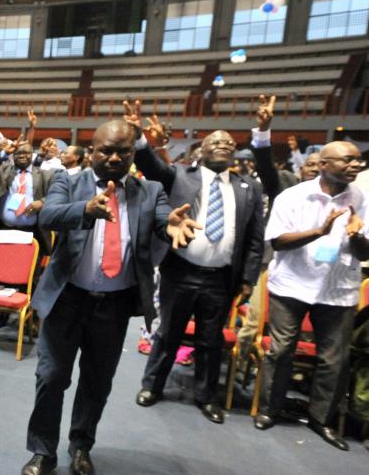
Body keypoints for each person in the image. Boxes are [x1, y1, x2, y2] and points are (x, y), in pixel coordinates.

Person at [21, 120, 199, 475]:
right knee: (51, 377)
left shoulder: (149, 191)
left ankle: (81, 446)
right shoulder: (68, 181)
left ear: (133, 154)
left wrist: (171, 226)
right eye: (107, 150)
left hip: (114, 305)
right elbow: (51, 213)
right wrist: (85, 210)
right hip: (67, 299)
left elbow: (165, 220)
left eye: (123, 151)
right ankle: (43, 451)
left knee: (97, 381)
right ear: (92, 152)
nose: (115, 157)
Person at [125, 101, 266, 425]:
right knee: (168, 334)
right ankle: (152, 386)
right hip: (180, 270)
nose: (223, 146)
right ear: (201, 150)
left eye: (229, 144)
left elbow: (255, 237)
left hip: (221, 278)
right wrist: (138, 135)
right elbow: (150, 164)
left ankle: (206, 397)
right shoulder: (179, 175)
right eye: (215, 142)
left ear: (234, 152)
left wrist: (248, 278)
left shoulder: (249, 187)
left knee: (210, 338)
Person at [255, 141, 369, 451]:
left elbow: (365, 251)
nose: (356, 165)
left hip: (337, 289)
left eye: (358, 160)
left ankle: (321, 419)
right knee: (281, 351)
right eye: (348, 160)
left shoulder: (362, 198)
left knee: (335, 359)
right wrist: (319, 232)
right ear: (324, 164)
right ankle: (270, 408)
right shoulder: (293, 196)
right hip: (292, 285)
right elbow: (277, 241)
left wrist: (357, 236)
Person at [0, 138, 57, 256]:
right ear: (13, 156)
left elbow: (56, 195)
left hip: (32, 232)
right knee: (1, 271)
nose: (22, 156)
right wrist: (4, 153)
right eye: (18, 153)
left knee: (29, 272)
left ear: (32, 155)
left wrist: (42, 202)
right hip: (4, 229)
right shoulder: (4, 171)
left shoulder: (43, 175)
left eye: (26, 153)